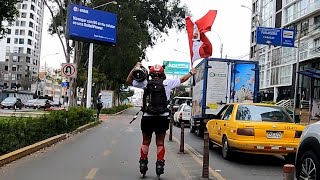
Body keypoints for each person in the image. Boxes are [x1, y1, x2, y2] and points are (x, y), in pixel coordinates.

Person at [126, 62, 196, 176]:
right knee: (160, 142)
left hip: (147, 117)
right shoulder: (167, 83)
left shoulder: (145, 83)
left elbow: (129, 81)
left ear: (151, 74)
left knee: (146, 142)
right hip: (162, 118)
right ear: (162, 74)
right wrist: (191, 72)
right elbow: (182, 79)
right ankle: (159, 165)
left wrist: (135, 67)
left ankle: (143, 163)